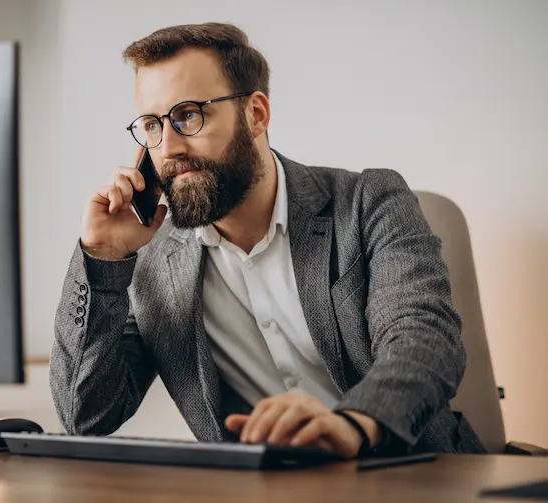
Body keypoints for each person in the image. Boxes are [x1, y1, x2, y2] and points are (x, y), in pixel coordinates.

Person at [49, 22, 485, 458]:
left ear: (256, 114)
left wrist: (355, 424)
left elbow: (424, 337)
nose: (168, 148)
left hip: (410, 476)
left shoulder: (367, 202)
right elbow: (85, 415)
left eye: (187, 115)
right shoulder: (150, 256)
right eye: (152, 124)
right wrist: (103, 259)